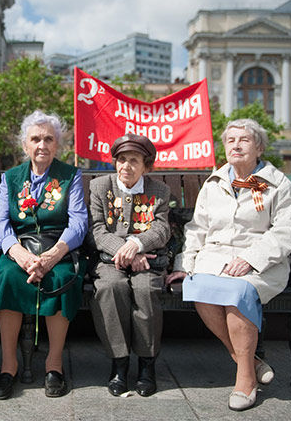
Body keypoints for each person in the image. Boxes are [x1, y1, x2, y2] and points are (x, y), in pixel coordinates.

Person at [166, 118, 291, 412]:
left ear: (259, 147)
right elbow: (197, 228)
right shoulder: (214, 183)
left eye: (244, 139)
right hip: (214, 259)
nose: (236, 145)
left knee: (237, 293)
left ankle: (244, 380)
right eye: (230, 140)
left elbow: (285, 231)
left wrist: (250, 259)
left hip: (261, 261)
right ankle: (249, 361)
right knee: (197, 286)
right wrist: (184, 264)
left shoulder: (276, 184)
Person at [0, 110, 88, 400]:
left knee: (63, 277)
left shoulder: (71, 175)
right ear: (25, 145)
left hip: (58, 247)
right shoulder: (11, 177)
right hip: (21, 248)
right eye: (35, 139)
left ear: (57, 145)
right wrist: (18, 254)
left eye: (49, 139)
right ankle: (8, 365)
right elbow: (1, 222)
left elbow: (78, 222)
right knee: (6, 275)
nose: (42, 145)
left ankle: (54, 365)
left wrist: (53, 256)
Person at [87, 133, 171, 397]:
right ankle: (119, 364)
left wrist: (136, 245)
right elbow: (97, 231)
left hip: (148, 259)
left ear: (146, 165)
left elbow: (161, 229)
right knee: (111, 287)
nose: (126, 166)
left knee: (146, 290)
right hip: (108, 259)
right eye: (121, 160)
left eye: (134, 161)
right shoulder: (100, 186)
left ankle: (147, 365)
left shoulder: (159, 190)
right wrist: (125, 252)